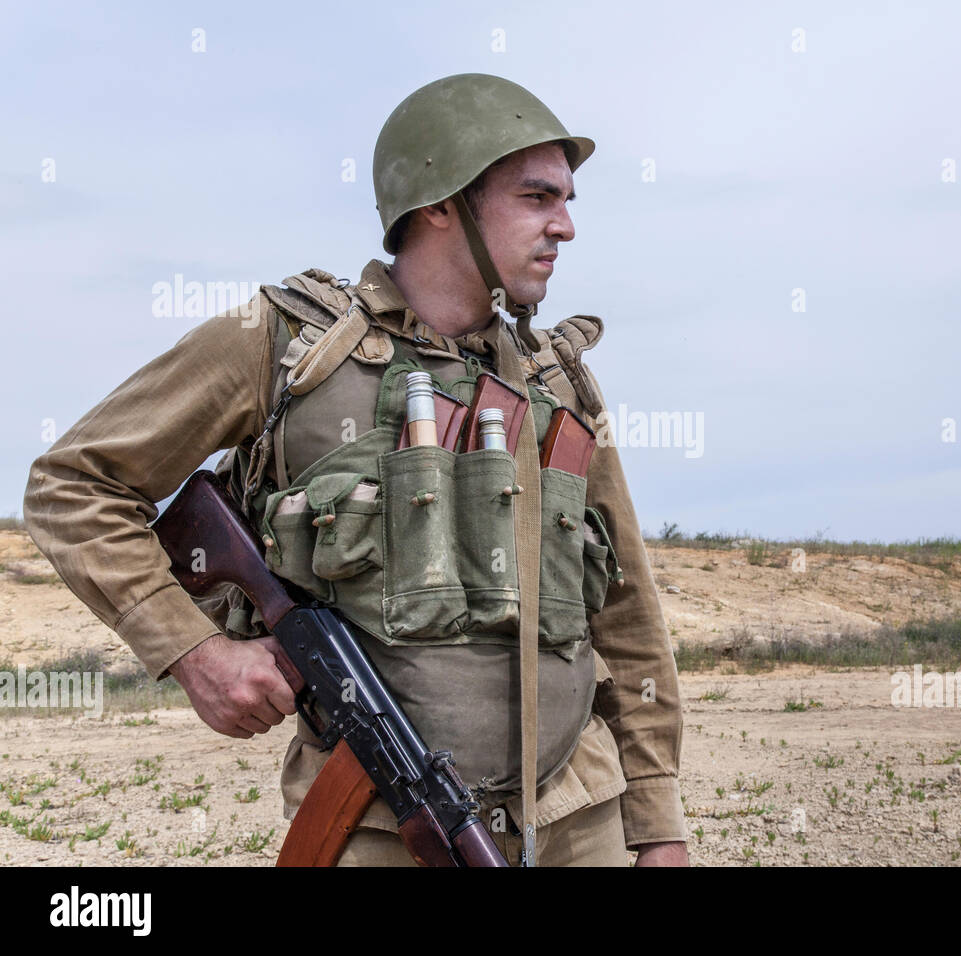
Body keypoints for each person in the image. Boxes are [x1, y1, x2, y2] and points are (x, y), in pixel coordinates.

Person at [23, 73, 689, 867]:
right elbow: (74, 485)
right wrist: (193, 651)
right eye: (537, 197)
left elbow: (625, 613)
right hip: (380, 825)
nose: (566, 226)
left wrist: (657, 820)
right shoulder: (288, 343)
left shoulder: (558, 383)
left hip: (579, 820)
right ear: (442, 201)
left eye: (566, 200)